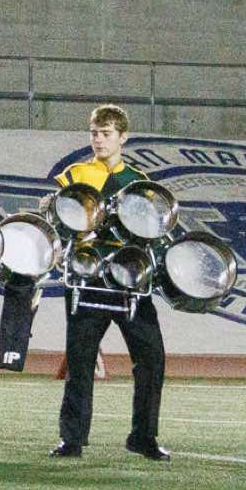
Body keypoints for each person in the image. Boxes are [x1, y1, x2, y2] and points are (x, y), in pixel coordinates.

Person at [39, 105, 171, 461]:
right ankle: (72, 439)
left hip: (129, 281)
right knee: (80, 362)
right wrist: (50, 208)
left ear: (122, 137)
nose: (99, 140)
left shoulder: (139, 181)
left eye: (106, 134)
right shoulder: (75, 175)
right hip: (88, 279)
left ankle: (143, 436)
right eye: (95, 133)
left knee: (152, 358)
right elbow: (59, 221)